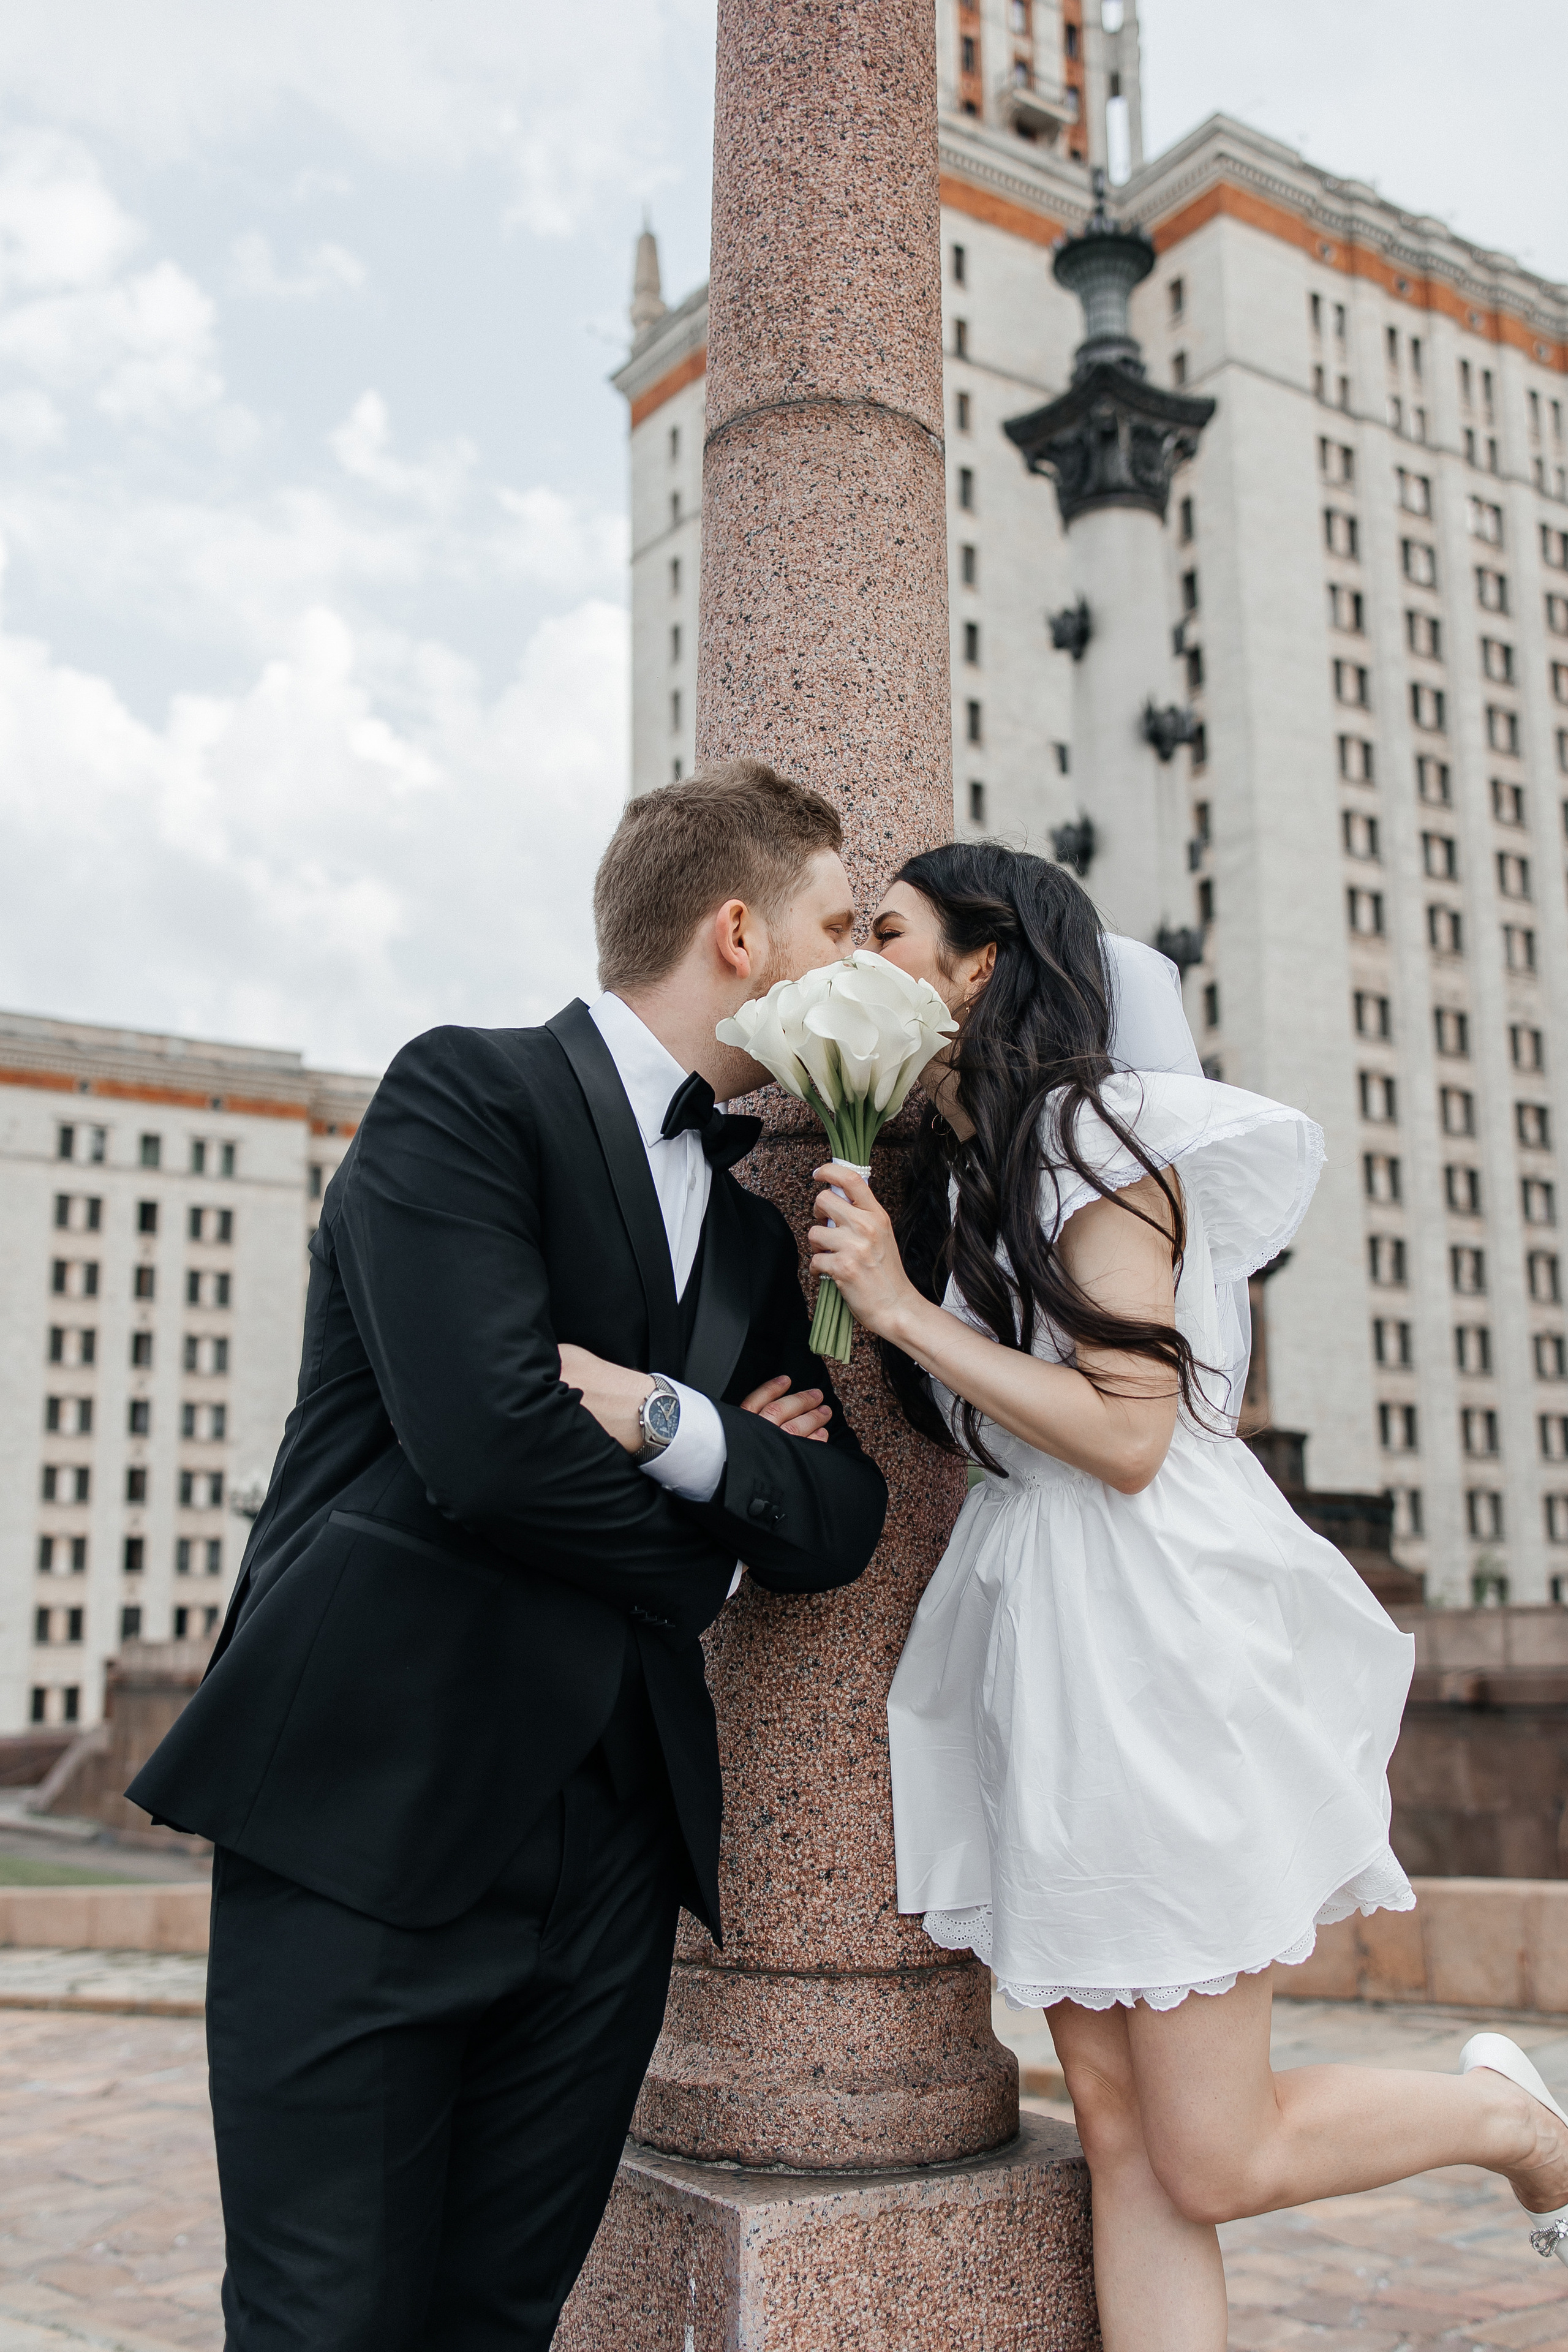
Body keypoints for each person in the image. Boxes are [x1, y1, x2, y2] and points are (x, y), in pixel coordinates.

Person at [127, 759, 888, 2351]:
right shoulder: (465, 1097)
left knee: (496, 2322)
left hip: (611, 1870)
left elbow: (841, 1516)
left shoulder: (757, 1234)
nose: (864, 968)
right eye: (840, 923)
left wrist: (675, 1421)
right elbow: (484, 1447)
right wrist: (701, 1559)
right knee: (323, 2323)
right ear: (740, 935)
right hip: (368, 1816)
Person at [805, 840, 1568, 2352]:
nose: (852, 964)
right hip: (1040, 1626)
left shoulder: (1102, 1138)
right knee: (1116, 2132)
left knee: (1215, 2151)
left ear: (979, 963)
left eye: (881, 932)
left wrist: (893, 1305)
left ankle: (1514, 2124)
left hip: (1148, 1629)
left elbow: (1128, 1436)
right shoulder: (964, 1167)